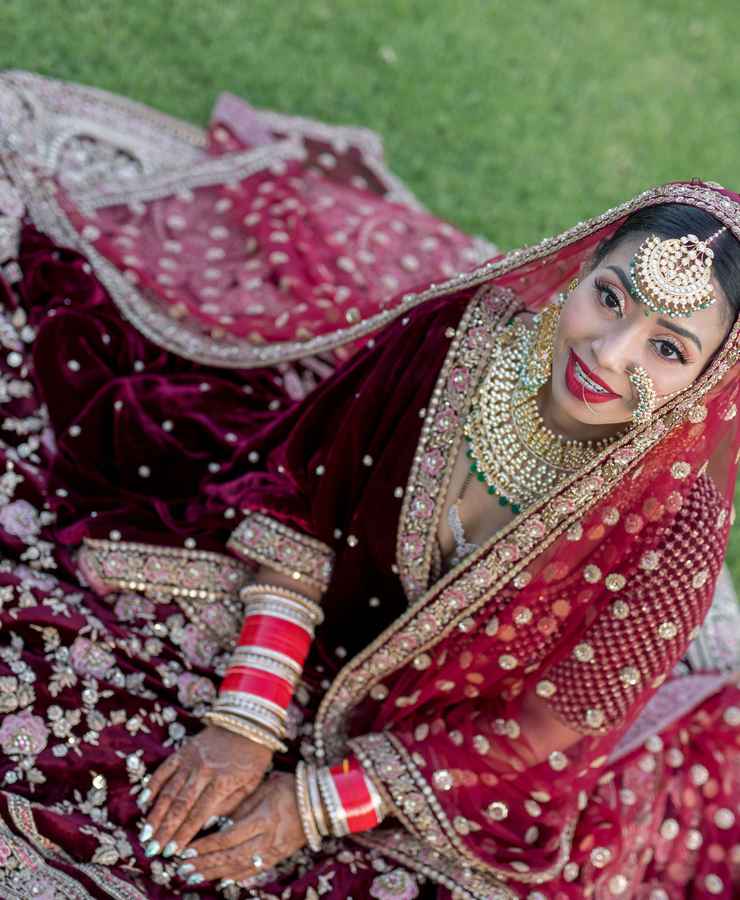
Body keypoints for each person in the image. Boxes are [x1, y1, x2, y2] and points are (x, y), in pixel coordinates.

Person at [0, 70, 737, 900]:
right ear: (580, 266)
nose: (610, 353)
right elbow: (303, 494)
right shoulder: (460, 336)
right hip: (314, 617)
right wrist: (247, 715)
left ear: (711, 385)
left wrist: (315, 805)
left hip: (442, 760)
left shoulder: (674, 539)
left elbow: (542, 731)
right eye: (610, 297)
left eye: (667, 349)